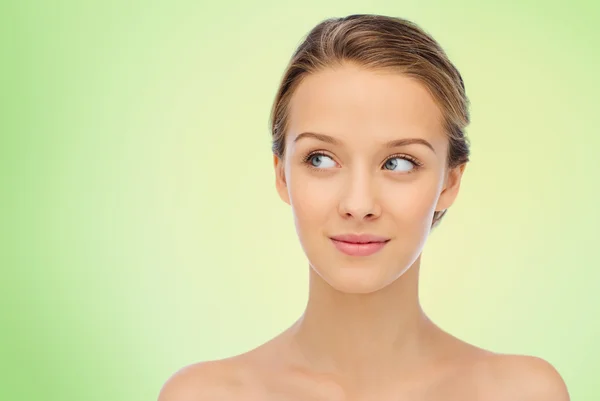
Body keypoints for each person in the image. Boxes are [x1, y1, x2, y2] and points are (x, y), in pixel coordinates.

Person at [159, 14, 570, 400]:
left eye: (399, 163)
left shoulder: (522, 393)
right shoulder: (203, 395)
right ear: (282, 174)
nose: (358, 205)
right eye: (320, 159)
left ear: (450, 181)